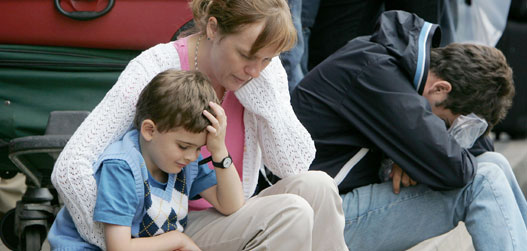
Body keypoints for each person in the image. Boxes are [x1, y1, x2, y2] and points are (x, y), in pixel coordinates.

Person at [51, 0, 348, 250]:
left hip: (222, 211)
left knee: (318, 185)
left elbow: (293, 165)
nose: (256, 70)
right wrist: (138, 239)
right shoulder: (155, 68)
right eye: (246, 55)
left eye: (267, 59)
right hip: (161, 230)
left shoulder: (262, 78)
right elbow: (70, 170)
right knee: (291, 213)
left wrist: (265, 98)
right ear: (213, 28)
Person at [291, 10, 527, 250]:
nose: (442, 130)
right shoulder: (376, 72)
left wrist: (417, 151)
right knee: (485, 180)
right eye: (444, 123)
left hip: (338, 205)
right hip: (316, 221)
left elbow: (478, 146)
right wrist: (420, 151)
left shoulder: (401, 66)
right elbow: (455, 169)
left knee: (495, 161)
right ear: (441, 89)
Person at [48, 69, 243, 250]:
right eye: (183, 146)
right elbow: (120, 248)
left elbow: (231, 204)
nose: (192, 156)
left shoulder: (185, 162)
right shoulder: (121, 168)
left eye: (199, 148)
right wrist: (178, 239)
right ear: (149, 130)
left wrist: (219, 151)